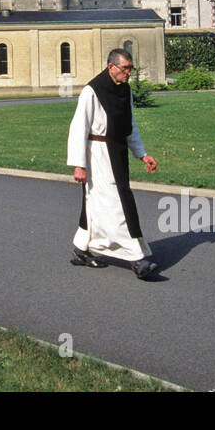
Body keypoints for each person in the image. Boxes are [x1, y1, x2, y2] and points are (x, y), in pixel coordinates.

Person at [67, 48, 161, 279]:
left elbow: (129, 125)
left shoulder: (124, 90)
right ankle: (137, 259)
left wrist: (142, 154)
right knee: (117, 203)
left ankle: (81, 248)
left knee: (96, 204)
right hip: (97, 153)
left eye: (130, 68)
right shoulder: (92, 91)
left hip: (117, 152)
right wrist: (79, 165)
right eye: (125, 68)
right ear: (111, 67)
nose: (128, 73)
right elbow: (78, 127)